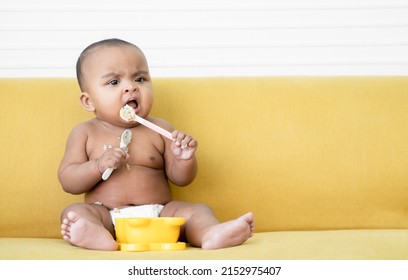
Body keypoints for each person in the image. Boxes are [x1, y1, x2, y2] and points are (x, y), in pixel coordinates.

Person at [59, 38, 254, 251]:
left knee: (198, 211)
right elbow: (68, 181)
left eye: (140, 79)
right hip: (107, 217)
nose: (130, 87)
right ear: (89, 101)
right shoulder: (85, 133)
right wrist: (97, 166)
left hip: (161, 216)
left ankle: (210, 233)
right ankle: (96, 236)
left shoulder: (160, 129)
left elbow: (181, 179)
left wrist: (184, 159)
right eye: (114, 82)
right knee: (75, 211)